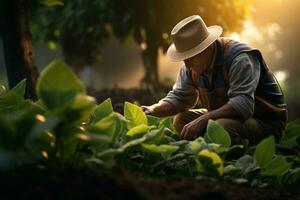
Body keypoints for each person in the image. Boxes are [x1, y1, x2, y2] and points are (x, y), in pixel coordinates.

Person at [141, 15, 287, 146]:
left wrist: (204, 119)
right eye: (184, 57)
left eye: (191, 56)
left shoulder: (240, 59)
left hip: (265, 123)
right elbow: (179, 98)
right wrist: (152, 110)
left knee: (222, 127)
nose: (187, 64)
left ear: (207, 47)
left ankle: (240, 154)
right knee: (181, 120)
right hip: (226, 119)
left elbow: (243, 105)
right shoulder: (191, 65)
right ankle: (213, 145)